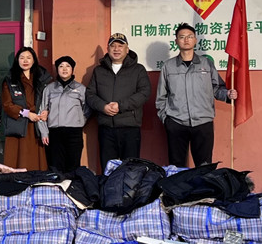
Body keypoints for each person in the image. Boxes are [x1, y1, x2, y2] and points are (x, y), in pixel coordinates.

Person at [156, 23, 238, 167]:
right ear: (176, 41)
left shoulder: (206, 64)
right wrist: (167, 120)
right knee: (176, 167)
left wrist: (227, 94)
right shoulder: (168, 66)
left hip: (203, 123)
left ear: (195, 40)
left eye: (190, 36)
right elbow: (161, 97)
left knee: (204, 167)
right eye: (182, 37)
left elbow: (217, 88)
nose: (186, 40)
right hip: (176, 122)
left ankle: (203, 184)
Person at [86, 32, 151, 171]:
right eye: (113, 46)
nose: (116, 49)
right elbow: (90, 95)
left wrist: (120, 106)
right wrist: (103, 107)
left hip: (130, 127)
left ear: (127, 49)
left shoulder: (138, 70)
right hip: (106, 128)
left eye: (120, 46)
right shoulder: (99, 71)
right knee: (108, 169)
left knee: (131, 169)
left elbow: (144, 93)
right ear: (108, 49)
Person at [1, 46, 53, 170]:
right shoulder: (10, 80)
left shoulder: (42, 79)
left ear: (34, 60)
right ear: (17, 60)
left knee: (35, 161)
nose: (25, 61)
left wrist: (47, 111)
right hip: (18, 123)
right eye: (22, 58)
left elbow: (50, 99)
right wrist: (26, 114)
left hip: (37, 124)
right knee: (17, 160)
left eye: (28, 58)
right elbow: (7, 105)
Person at [38, 55, 90, 173]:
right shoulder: (49, 89)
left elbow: (87, 108)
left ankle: (72, 185)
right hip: (55, 132)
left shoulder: (80, 89)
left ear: (72, 69)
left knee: (73, 166)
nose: (64, 69)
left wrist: (80, 120)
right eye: (61, 66)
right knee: (56, 167)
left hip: (74, 132)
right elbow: (42, 110)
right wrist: (44, 132)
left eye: (68, 66)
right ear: (57, 69)